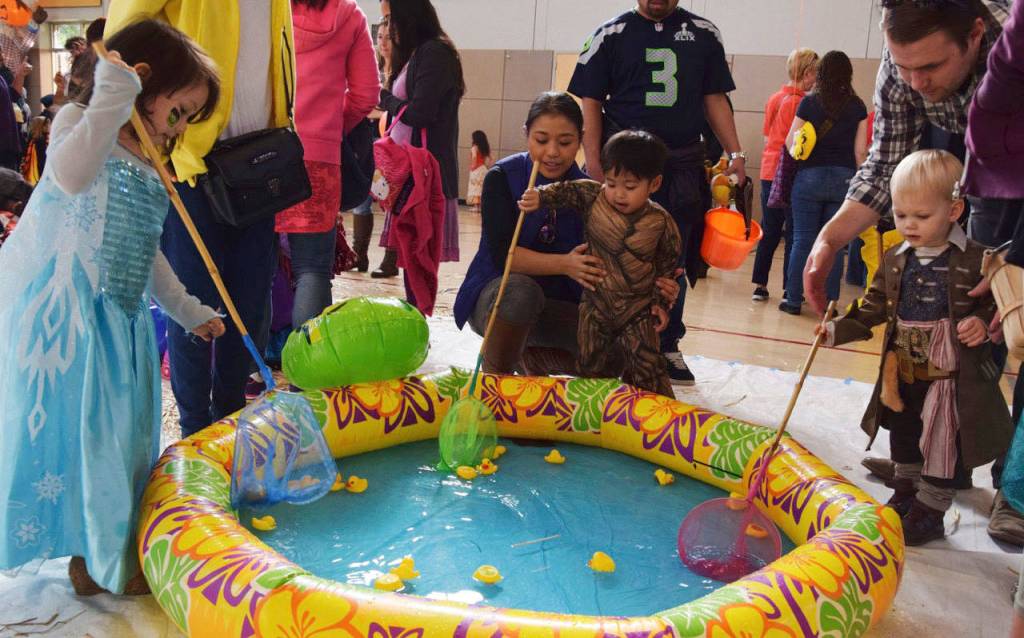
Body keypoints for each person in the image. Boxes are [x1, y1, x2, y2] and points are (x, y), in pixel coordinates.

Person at [0, 20, 224, 596]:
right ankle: (98, 559)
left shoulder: (152, 164)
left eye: (188, 119)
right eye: (177, 111)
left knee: (123, 442)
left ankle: (105, 551)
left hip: (121, 322)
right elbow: (71, 178)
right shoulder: (81, 124)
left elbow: (148, 255)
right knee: (91, 440)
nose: (179, 128)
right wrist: (109, 99)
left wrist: (187, 309)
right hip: (75, 322)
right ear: (142, 89)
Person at [800, 0, 1024, 544]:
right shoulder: (906, 62)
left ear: (975, 36)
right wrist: (830, 238)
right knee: (931, 383)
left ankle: (1013, 483)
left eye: (930, 68)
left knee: (1009, 322)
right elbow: (884, 161)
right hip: (986, 166)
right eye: (904, 67)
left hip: (1006, 157)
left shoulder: (1011, 52)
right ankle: (932, 465)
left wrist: (1008, 285)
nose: (916, 82)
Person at [106, 0, 297, 436]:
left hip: (260, 161)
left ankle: (230, 424)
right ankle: (194, 431)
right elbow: (126, 32)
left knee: (249, 304)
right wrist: (152, 125)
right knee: (190, 302)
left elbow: (278, 57)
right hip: (191, 163)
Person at [818, 150, 1010, 546]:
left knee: (942, 439)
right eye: (901, 215)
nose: (908, 225)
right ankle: (906, 489)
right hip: (902, 366)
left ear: (955, 209)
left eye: (922, 217)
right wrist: (836, 331)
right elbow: (871, 307)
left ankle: (932, 509)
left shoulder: (978, 260)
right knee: (903, 430)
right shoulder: (894, 258)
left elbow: (998, 303)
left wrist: (982, 321)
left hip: (950, 376)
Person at [567, 0, 745, 386]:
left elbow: (714, 99)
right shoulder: (609, 35)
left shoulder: (703, 34)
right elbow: (591, 102)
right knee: (610, 253)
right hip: (622, 171)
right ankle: (605, 342)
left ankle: (665, 343)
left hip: (679, 170)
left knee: (672, 258)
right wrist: (594, 161)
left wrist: (736, 153)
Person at [453, 92, 679, 376]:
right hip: (499, 300)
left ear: (581, 139)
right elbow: (503, 257)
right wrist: (565, 264)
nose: (552, 152)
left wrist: (656, 288)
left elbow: (613, 263)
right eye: (541, 140)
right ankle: (497, 378)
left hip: (558, 306)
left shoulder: (593, 193)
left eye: (565, 142)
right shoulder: (501, 177)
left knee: (619, 351)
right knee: (522, 294)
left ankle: (533, 358)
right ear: (526, 134)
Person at [519, 130, 681, 396]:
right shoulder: (593, 196)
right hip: (596, 304)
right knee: (593, 366)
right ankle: (541, 360)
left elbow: (667, 268)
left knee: (649, 366)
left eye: (630, 187)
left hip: (637, 309)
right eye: (611, 182)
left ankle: (665, 422)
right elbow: (565, 190)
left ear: (654, 184)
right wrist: (540, 196)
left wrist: (661, 303)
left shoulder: (662, 223)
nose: (618, 194)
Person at [278, 0, 378, 328]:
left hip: (264, 155)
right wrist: (330, 127)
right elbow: (366, 95)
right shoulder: (349, 15)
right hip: (320, 160)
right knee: (312, 270)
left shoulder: (268, 9)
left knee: (256, 266)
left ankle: (249, 369)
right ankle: (305, 374)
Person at [378, 0, 463, 295]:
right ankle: (416, 327)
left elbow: (420, 113)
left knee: (419, 264)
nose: (386, 29)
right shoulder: (418, 54)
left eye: (390, 19)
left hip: (425, 179)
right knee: (412, 263)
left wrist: (384, 98)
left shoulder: (434, 53)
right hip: (409, 177)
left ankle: (418, 329)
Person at [779, 51, 868, 315]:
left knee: (802, 240)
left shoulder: (809, 103)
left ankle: (793, 299)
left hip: (809, 178)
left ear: (821, 73)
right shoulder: (858, 106)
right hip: (843, 179)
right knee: (835, 244)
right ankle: (829, 304)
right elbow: (861, 152)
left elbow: (790, 142)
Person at [751, 47, 817, 303]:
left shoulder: (774, 98)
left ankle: (760, 284)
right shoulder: (803, 103)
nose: (816, 79)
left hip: (769, 170)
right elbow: (800, 144)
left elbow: (768, 135)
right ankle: (790, 288)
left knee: (770, 229)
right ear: (807, 72)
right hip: (789, 173)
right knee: (794, 231)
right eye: (815, 73)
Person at [467, 129, 492, 213]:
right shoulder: (485, 147)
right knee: (481, 187)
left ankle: (476, 206)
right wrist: (487, 166)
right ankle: (481, 206)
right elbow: (491, 158)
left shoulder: (474, 147)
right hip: (483, 168)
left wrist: (473, 166)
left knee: (475, 187)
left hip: (476, 169)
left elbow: (474, 157)